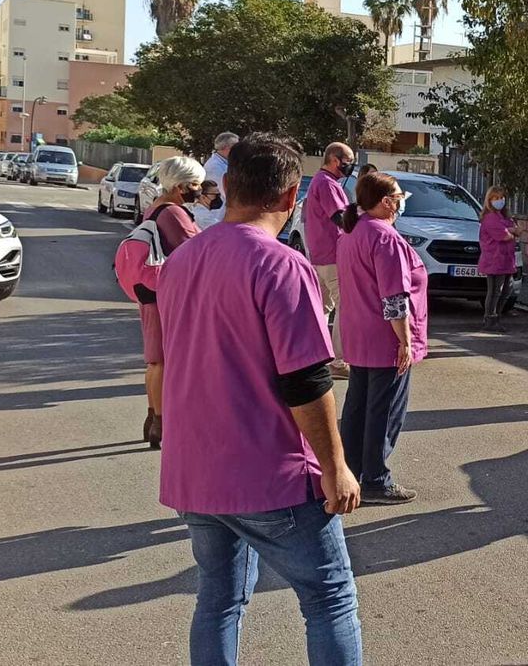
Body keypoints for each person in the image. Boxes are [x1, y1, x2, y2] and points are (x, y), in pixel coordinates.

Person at [157, 133, 362, 666]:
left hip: (195, 469)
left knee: (218, 601)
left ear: (227, 185)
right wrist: (336, 466)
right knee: (329, 598)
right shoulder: (282, 265)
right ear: (292, 196)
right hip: (269, 472)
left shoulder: (181, 261)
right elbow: (306, 381)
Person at [337, 171, 427, 505]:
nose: (402, 204)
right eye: (400, 198)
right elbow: (394, 298)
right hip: (384, 337)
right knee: (385, 411)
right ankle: (376, 479)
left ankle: (351, 470)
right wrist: (405, 341)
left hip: (360, 334)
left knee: (358, 407)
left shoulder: (352, 232)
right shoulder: (385, 237)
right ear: (387, 202)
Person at [136, 157, 205, 448]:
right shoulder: (174, 213)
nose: (199, 190)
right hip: (167, 293)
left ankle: (153, 418)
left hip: (150, 289)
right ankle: (161, 423)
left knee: (155, 360)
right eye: (195, 184)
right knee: (162, 360)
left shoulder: (155, 207)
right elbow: (196, 250)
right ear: (180, 186)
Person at [307, 143, 357, 377]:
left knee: (321, 307)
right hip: (333, 255)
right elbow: (340, 218)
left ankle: (312, 356)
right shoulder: (327, 183)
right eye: (348, 161)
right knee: (345, 305)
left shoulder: (319, 181)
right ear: (335, 160)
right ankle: (339, 360)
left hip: (320, 254)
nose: (351, 166)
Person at [477, 186, 523, 331]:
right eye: (496, 198)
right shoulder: (490, 217)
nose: (500, 201)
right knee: (495, 291)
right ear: (489, 200)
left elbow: (518, 231)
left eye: (502, 198)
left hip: (507, 260)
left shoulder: (504, 216)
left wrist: (511, 230)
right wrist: (511, 231)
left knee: (506, 290)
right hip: (494, 259)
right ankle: (490, 319)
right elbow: (504, 236)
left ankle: (496, 317)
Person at [202, 132, 239, 222]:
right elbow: (224, 192)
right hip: (217, 216)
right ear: (227, 148)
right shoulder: (214, 167)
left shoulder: (224, 163)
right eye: (236, 147)